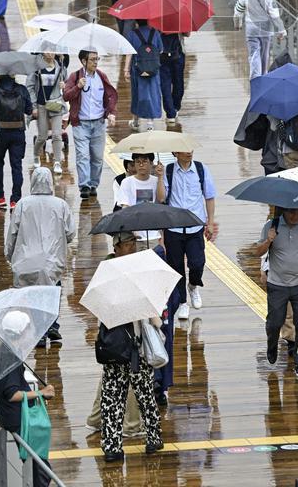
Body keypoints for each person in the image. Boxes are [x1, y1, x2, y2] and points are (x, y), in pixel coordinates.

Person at [96, 243, 164, 462]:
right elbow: (157, 322)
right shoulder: (139, 292)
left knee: (112, 398)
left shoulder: (106, 294)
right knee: (145, 395)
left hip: (113, 353)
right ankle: (153, 438)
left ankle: (112, 446)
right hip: (137, 354)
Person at [5, 166, 74, 342]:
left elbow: (13, 232)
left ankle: (38, 331)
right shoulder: (61, 205)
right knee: (51, 291)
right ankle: (52, 325)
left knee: (32, 296)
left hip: (26, 260)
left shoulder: (22, 204)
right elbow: (70, 233)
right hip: (52, 261)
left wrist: (9, 254)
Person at [254, 207, 298, 379]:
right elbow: (257, 252)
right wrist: (268, 241)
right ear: (284, 210)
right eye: (292, 212)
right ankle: (271, 344)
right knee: (275, 322)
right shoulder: (272, 225)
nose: (295, 216)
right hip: (277, 284)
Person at [0, 312, 55, 487]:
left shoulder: (7, 351)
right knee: (40, 470)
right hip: (20, 420)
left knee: (39, 467)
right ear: (20, 332)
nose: (31, 331)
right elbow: (12, 394)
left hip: (14, 418)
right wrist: (42, 393)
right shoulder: (10, 357)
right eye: (28, 328)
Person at [163, 147, 216, 321]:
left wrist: (210, 222)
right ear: (175, 153)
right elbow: (161, 198)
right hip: (174, 228)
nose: (189, 152)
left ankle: (193, 285)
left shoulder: (201, 169)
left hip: (195, 227)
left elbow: (209, 196)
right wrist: (158, 178)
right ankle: (183, 303)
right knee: (176, 267)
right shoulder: (168, 171)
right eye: (184, 150)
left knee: (198, 263)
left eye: (190, 149)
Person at [63, 49, 117, 200]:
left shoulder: (101, 76)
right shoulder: (75, 76)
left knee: (97, 157)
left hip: (99, 123)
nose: (95, 62)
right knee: (82, 156)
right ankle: (84, 185)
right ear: (83, 61)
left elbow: (110, 96)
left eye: (97, 59)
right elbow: (66, 96)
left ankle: (93, 184)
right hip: (81, 124)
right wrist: (78, 87)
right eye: (92, 59)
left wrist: (111, 113)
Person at [0, 72, 33, 210]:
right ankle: (16, 200)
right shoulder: (22, 90)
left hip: (0, 133)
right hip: (18, 133)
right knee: (17, 166)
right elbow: (29, 110)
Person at [234, 0, 286, 79]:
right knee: (264, 55)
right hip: (266, 30)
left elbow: (238, 12)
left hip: (251, 29)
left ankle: (255, 77)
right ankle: (263, 76)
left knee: (254, 54)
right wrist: (281, 31)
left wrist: (237, 25)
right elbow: (275, 16)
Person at [27, 53, 66, 176]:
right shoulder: (36, 68)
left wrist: (64, 86)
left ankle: (57, 162)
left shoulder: (61, 66)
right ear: (42, 52)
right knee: (42, 136)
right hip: (41, 106)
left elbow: (66, 84)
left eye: (52, 50)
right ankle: (36, 154)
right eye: (47, 50)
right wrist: (33, 106)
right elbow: (30, 87)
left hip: (56, 104)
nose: (50, 53)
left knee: (57, 134)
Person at [117, 151, 165, 242]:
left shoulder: (156, 181)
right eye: (138, 162)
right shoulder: (127, 182)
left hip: (154, 235)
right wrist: (131, 230)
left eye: (144, 161)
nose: (141, 165)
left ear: (151, 164)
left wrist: (161, 177)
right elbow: (125, 207)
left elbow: (162, 199)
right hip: (134, 236)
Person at [124, 20, 164, 129]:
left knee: (137, 94)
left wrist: (126, 69)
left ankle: (136, 121)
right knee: (153, 94)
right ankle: (150, 123)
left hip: (137, 70)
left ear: (136, 21)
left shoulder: (132, 34)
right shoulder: (155, 33)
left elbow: (129, 53)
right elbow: (160, 50)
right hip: (153, 70)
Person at [159, 32, 185, 125]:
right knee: (178, 82)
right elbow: (187, 34)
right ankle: (176, 107)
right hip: (178, 54)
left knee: (165, 85)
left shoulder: (156, 19)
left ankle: (170, 114)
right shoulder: (180, 18)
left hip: (161, 55)